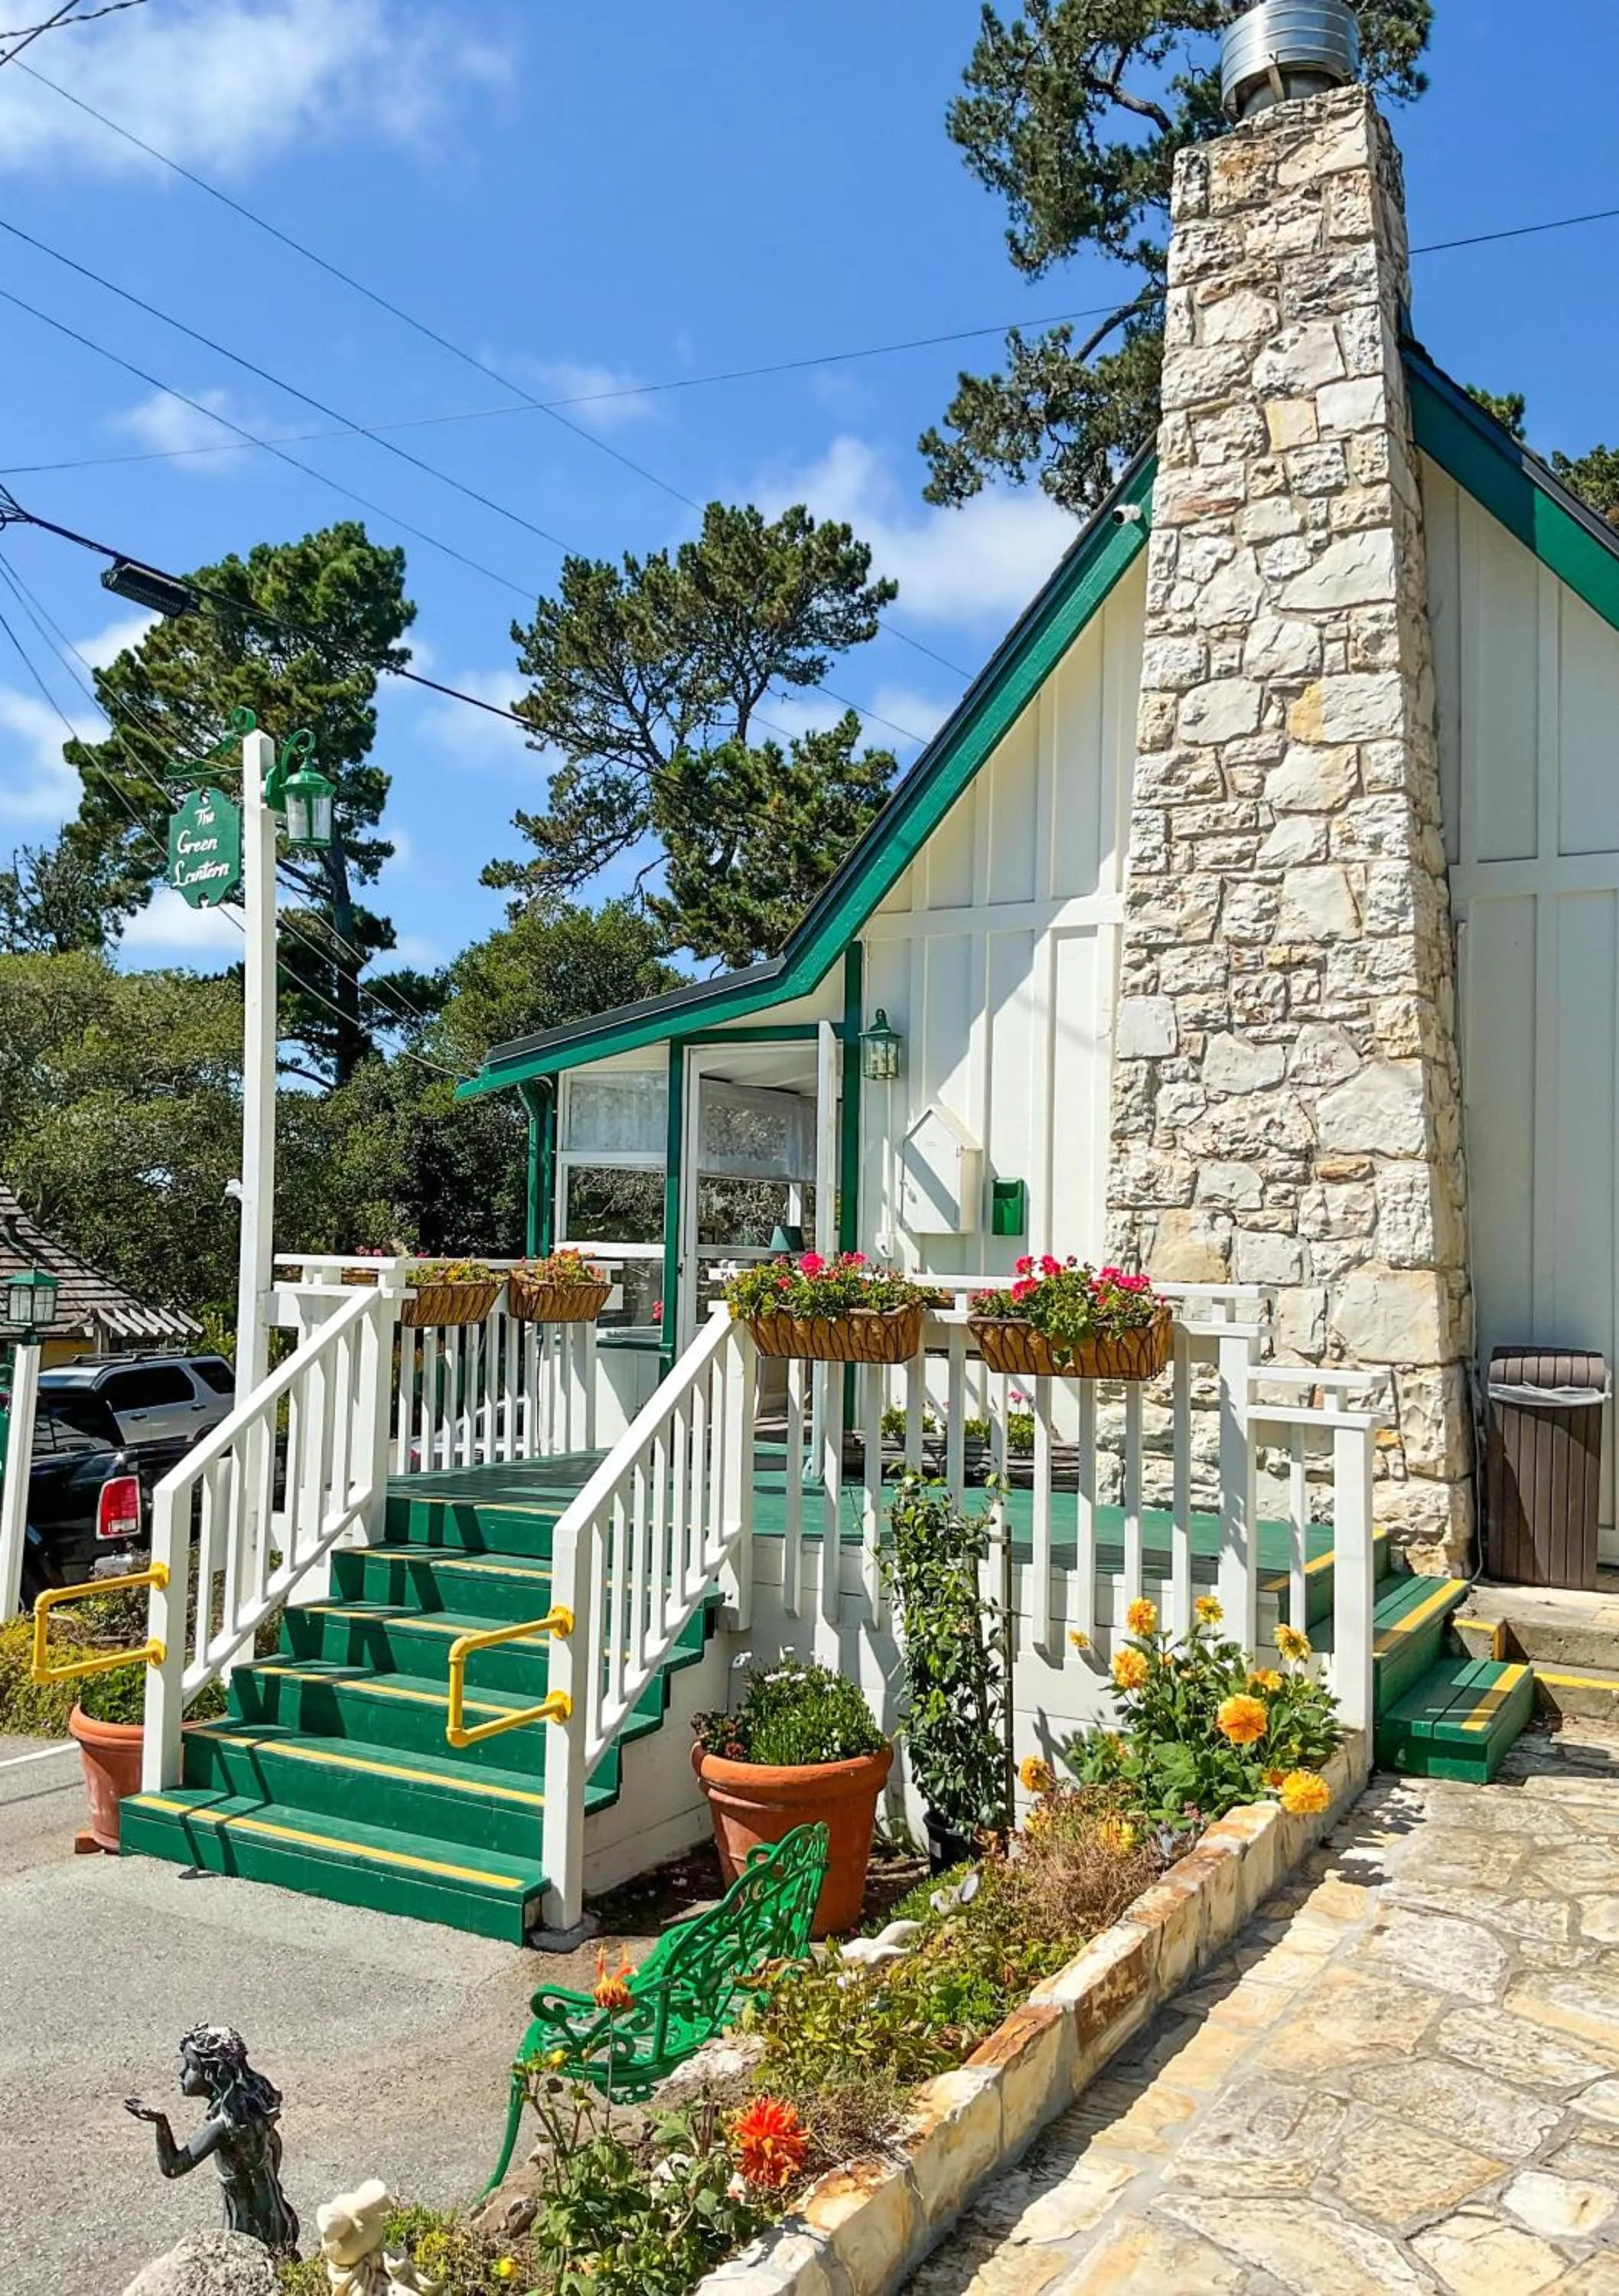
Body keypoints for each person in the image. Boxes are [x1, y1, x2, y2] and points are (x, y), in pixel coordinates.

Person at [125, 2024, 300, 2258]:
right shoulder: (252, 2112)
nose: (182, 2073)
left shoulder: (223, 2126)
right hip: (277, 2215)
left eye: (190, 2066)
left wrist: (161, 2124)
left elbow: (173, 2167)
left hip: (244, 2224)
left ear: (212, 2073)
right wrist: (265, 2179)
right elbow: (274, 2146)